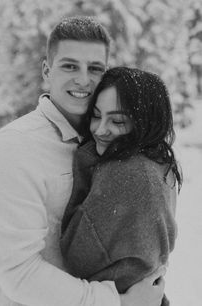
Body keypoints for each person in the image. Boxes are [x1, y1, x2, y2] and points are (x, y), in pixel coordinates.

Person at [0, 16, 166, 306]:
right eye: (69, 66)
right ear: (46, 70)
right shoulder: (13, 148)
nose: (83, 79)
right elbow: (19, 273)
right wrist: (119, 302)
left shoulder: (111, 143)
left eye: (95, 68)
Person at [61, 66, 183, 305]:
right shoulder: (159, 163)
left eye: (117, 120)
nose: (100, 129)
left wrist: (85, 163)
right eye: (96, 115)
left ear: (145, 122)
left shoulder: (126, 173)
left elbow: (76, 257)